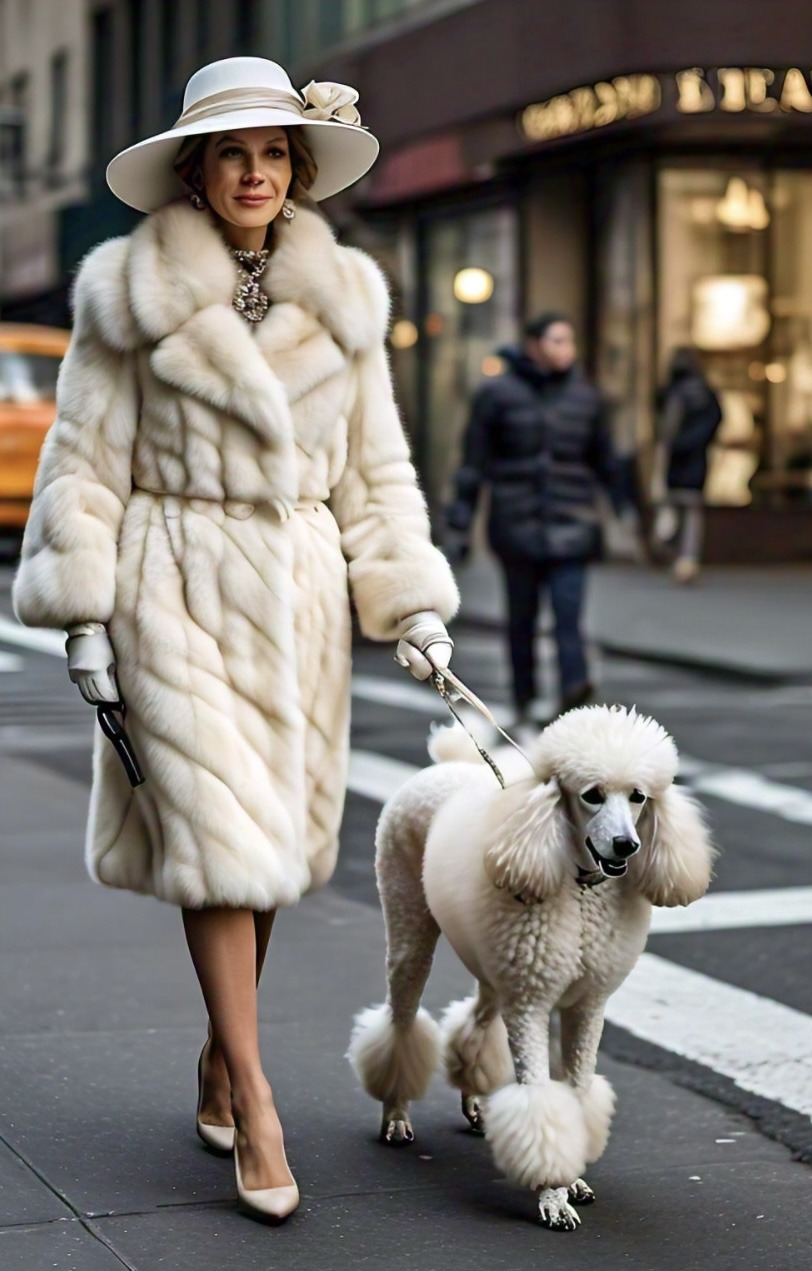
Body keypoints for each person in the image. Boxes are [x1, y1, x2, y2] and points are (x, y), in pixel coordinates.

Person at [12, 57, 458, 1222]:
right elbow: (83, 460)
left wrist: (408, 601)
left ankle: (220, 1050)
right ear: (196, 171)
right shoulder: (126, 291)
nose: (254, 172)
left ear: (296, 168)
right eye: (231, 152)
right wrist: (80, 615)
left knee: (264, 852)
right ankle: (257, 1094)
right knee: (215, 837)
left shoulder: (349, 297)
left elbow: (377, 468)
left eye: (273, 153)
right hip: (175, 580)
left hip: (300, 592)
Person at [445, 313, 629, 726]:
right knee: (521, 619)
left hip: (573, 523)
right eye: (557, 341)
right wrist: (460, 521)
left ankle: (574, 688)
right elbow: (473, 464)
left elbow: (607, 461)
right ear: (533, 345)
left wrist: (626, 508)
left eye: (570, 341)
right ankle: (524, 696)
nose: (566, 349)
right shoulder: (496, 395)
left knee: (569, 614)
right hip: (517, 524)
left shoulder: (586, 397)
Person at [650, 346, 723, 584]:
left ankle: (672, 551)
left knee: (672, 506)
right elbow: (716, 422)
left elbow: (664, 429)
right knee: (691, 510)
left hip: (675, 458)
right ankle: (687, 558)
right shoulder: (706, 394)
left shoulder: (671, 393)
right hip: (696, 458)